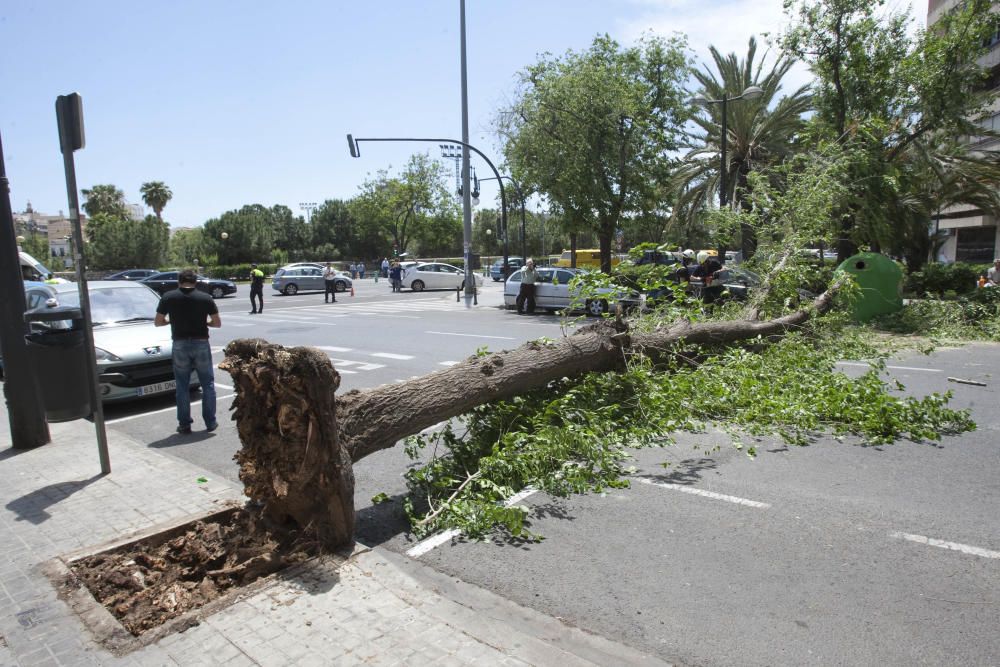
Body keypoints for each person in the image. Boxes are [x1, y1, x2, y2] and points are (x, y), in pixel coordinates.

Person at [154, 269, 221, 434]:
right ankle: (210, 422)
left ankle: (184, 424)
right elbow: (217, 323)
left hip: (180, 344)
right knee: (208, 384)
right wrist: (206, 324)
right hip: (201, 343)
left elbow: (158, 322)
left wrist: (171, 321)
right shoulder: (205, 298)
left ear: (179, 281)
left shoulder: (169, 297)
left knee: (182, 385)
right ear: (195, 282)